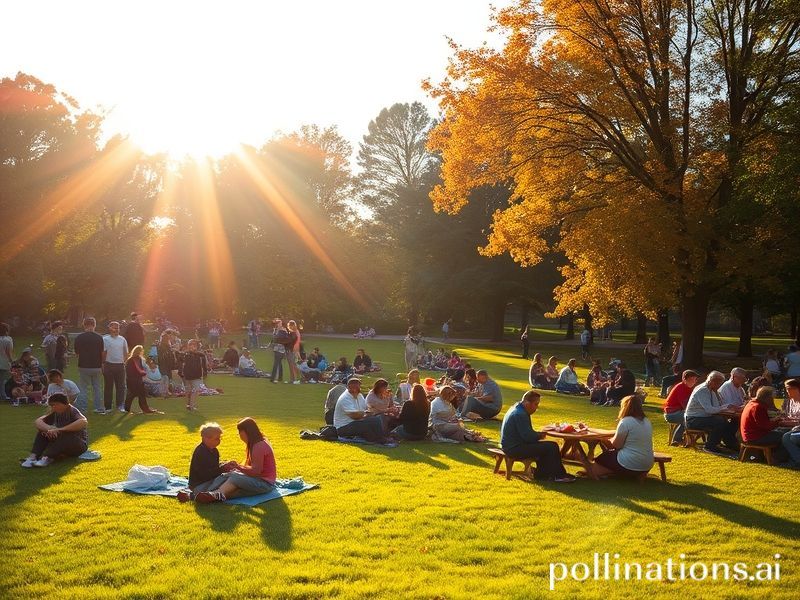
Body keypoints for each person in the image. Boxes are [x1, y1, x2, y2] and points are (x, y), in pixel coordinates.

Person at [193, 418, 277, 503]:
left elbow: (256, 471)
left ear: (246, 432)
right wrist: (235, 467)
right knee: (232, 483)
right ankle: (212, 495)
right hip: (257, 480)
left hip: (264, 483)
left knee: (234, 477)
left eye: (239, 432)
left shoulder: (259, 445)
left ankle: (214, 494)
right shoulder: (256, 443)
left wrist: (238, 468)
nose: (239, 435)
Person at [500, 390, 575, 482]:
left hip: (510, 445)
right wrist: (540, 435)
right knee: (552, 446)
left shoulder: (517, 408)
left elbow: (526, 434)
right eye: (536, 404)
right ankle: (558, 475)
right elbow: (528, 437)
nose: (536, 407)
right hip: (514, 448)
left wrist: (537, 435)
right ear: (527, 403)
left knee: (546, 446)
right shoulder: (520, 414)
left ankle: (543, 474)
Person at [588, 394, 654, 479]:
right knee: (609, 457)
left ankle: (582, 461)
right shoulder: (646, 421)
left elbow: (616, 445)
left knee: (603, 458)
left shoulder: (626, 421)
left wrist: (605, 440)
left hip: (629, 463)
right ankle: (610, 472)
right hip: (647, 463)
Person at [20, 393, 88, 468]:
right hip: (63, 444)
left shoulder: (73, 411)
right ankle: (33, 457)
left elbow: (83, 422)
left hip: (78, 445)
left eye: (55, 404)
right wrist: (50, 429)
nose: (53, 407)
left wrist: (59, 430)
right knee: (43, 432)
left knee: (65, 434)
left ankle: (47, 457)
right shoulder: (55, 412)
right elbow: (38, 421)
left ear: (64, 404)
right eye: (51, 405)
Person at [177, 422, 239, 501]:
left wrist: (226, 464)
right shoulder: (200, 452)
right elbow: (205, 474)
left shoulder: (214, 451)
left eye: (220, 438)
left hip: (209, 481)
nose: (219, 441)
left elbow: (214, 467)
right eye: (217, 438)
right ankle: (194, 495)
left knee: (232, 477)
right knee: (231, 479)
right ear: (206, 438)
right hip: (200, 485)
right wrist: (222, 469)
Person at [684, 371, 740, 454]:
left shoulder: (712, 390)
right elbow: (710, 410)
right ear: (712, 381)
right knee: (719, 422)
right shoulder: (702, 390)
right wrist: (724, 408)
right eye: (718, 384)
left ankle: (730, 444)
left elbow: (717, 406)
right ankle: (710, 446)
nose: (719, 386)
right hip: (693, 419)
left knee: (732, 421)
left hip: (703, 417)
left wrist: (727, 407)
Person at [740, 386, 788, 463]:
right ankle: (777, 458)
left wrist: (775, 420)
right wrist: (778, 422)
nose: (773, 400)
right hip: (755, 437)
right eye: (772, 398)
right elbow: (766, 426)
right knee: (786, 436)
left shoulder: (752, 403)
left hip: (750, 435)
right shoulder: (758, 407)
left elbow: (762, 423)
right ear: (767, 398)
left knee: (780, 433)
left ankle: (771, 456)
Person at [73, 317, 105, 413]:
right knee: (97, 387)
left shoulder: (79, 337)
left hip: (83, 365)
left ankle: (83, 408)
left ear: (84, 325)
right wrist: (102, 363)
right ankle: (98, 407)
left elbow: (77, 353)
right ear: (94, 325)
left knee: (83, 388)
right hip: (96, 365)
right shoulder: (99, 337)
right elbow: (102, 352)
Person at [662, 369, 700, 445]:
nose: (693, 381)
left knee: (695, 418)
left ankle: (690, 439)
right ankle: (677, 440)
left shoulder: (689, 389)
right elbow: (686, 406)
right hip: (671, 414)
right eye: (691, 379)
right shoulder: (681, 388)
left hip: (679, 412)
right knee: (689, 418)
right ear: (684, 379)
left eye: (694, 379)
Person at [102, 321, 129, 413]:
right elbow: (103, 353)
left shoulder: (122, 339)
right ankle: (108, 407)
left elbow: (126, 352)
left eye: (117, 328)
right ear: (109, 328)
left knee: (121, 387)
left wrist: (124, 362)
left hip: (120, 365)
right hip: (108, 365)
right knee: (108, 387)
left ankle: (120, 405)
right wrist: (103, 364)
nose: (116, 330)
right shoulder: (105, 339)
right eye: (114, 328)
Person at [124, 345, 159, 414]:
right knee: (134, 395)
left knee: (137, 395)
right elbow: (139, 369)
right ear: (139, 351)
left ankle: (128, 409)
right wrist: (144, 373)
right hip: (135, 380)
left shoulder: (131, 359)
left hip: (133, 380)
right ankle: (144, 409)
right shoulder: (135, 359)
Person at [181, 339, 208, 411]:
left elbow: (204, 364)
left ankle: (191, 405)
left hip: (196, 375)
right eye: (191, 345)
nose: (192, 346)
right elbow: (183, 362)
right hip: (188, 375)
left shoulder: (200, 355)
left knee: (195, 390)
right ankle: (189, 405)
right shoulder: (186, 354)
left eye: (194, 345)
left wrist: (205, 373)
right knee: (189, 391)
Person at [781, 379, 800, 466]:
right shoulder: (789, 401)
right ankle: (784, 457)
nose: (786, 391)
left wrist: (788, 422)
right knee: (780, 432)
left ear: (795, 389)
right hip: (793, 427)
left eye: (788, 388)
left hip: (797, 428)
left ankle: (797, 460)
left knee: (787, 437)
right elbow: (786, 415)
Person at [270, 319, 288, 384]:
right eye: (278, 323)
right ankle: (277, 377)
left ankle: (276, 377)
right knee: (278, 363)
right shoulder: (277, 331)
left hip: (280, 349)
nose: (279, 324)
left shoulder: (282, 331)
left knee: (278, 363)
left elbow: (279, 339)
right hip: (277, 349)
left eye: (279, 323)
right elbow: (274, 339)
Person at [285, 320, 302, 385]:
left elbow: (295, 343)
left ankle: (298, 378)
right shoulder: (294, 332)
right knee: (291, 366)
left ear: (293, 326)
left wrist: (297, 353)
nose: (289, 327)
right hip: (291, 350)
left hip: (293, 351)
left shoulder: (295, 333)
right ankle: (293, 379)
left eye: (289, 326)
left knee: (293, 365)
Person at [0, 322, 13, 402]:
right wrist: (11, 360)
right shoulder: (8, 339)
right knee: (2, 380)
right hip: (4, 362)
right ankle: (3, 396)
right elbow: (9, 352)